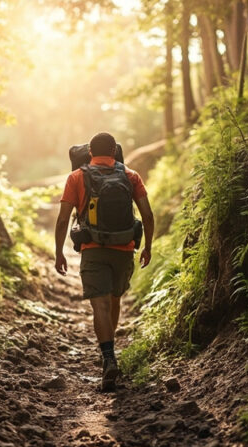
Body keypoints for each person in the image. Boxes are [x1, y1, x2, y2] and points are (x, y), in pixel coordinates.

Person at [53, 132, 154, 392]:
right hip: (124, 248)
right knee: (114, 299)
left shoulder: (76, 177)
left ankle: (108, 357)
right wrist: (147, 247)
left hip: (93, 248)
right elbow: (147, 214)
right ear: (114, 151)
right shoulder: (131, 176)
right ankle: (111, 351)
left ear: (89, 153)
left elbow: (63, 219)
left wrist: (59, 251)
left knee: (100, 304)